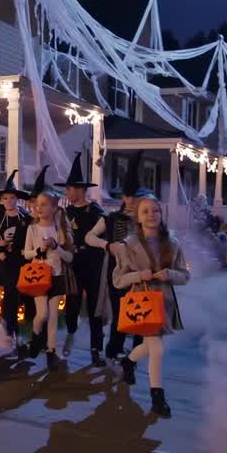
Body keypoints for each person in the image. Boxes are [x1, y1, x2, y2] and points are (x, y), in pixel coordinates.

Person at [112, 193, 190, 417]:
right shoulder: (128, 245)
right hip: (141, 303)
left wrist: (170, 274)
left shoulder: (172, 244)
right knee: (156, 348)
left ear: (161, 214)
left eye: (155, 210)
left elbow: (185, 276)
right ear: (137, 217)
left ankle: (128, 362)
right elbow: (117, 280)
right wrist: (139, 275)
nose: (151, 215)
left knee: (149, 346)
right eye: (145, 211)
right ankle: (157, 398)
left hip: (164, 303)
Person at [24, 167, 75, 371]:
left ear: (55, 208)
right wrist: (39, 250)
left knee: (53, 316)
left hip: (57, 276)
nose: (39, 208)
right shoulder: (33, 229)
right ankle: (37, 334)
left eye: (44, 205)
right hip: (38, 277)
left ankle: (51, 351)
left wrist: (57, 247)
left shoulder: (60, 229)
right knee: (42, 314)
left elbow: (69, 256)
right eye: (38, 205)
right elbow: (25, 254)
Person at [61, 152, 109, 364]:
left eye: (70, 188)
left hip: (94, 264)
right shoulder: (65, 212)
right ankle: (71, 333)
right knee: (72, 302)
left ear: (81, 189)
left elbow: (103, 234)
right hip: (73, 264)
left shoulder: (95, 210)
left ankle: (96, 349)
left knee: (94, 307)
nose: (67, 191)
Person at [101, 152, 145, 364]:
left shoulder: (147, 220)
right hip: (118, 273)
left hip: (140, 274)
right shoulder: (112, 219)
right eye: (127, 196)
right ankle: (114, 348)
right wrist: (107, 245)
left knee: (141, 313)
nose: (130, 200)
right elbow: (90, 237)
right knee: (119, 313)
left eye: (134, 197)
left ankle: (137, 350)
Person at [0, 170, 31, 355]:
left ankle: (23, 333)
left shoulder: (25, 218)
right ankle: (11, 330)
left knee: (24, 295)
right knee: (10, 292)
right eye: (6, 198)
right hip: (6, 260)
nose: (10, 201)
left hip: (22, 259)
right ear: (1, 200)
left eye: (13, 198)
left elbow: (29, 238)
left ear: (17, 199)